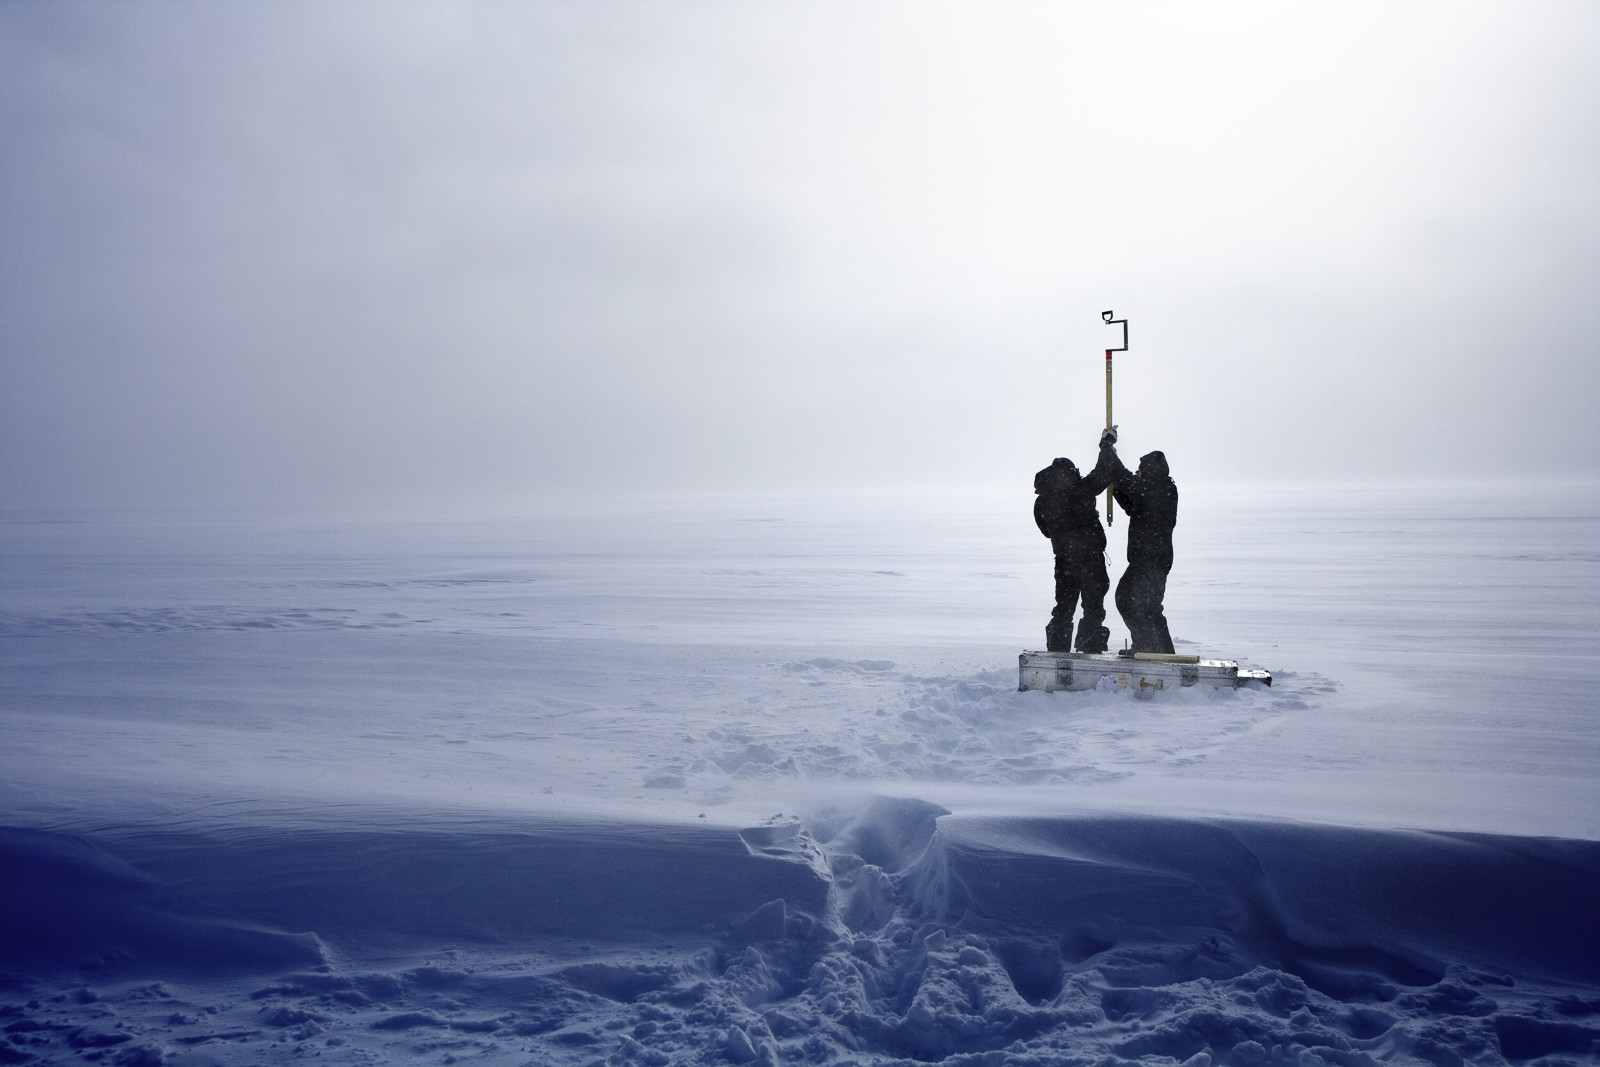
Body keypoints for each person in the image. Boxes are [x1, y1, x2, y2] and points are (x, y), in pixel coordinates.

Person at [1033, 442, 1115, 653]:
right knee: (1093, 607)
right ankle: (1089, 649)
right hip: (1090, 559)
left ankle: (1058, 651)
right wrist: (1107, 446)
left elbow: (1046, 530)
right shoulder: (1081, 490)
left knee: (1064, 607)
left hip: (1064, 560)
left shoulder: (1043, 501)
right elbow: (1103, 473)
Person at [1102, 434, 1179, 654]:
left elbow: (1127, 480)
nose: (1139, 473)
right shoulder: (1156, 490)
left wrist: (1108, 448)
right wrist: (1116, 487)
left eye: (1142, 470)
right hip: (1148, 558)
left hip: (1152, 559)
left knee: (1136, 602)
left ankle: (1156, 653)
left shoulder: (1160, 489)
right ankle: (1151, 649)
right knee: (1141, 605)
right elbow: (1132, 504)